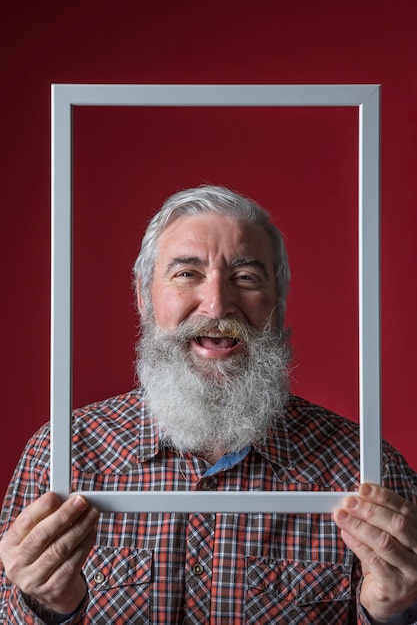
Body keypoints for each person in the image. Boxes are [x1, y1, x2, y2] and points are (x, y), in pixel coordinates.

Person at [0, 185, 416, 624]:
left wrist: (394, 614)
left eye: (246, 277)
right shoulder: (62, 455)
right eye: (186, 274)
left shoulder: (368, 471)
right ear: (144, 298)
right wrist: (45, 608)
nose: (217, 304)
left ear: (277, 304)